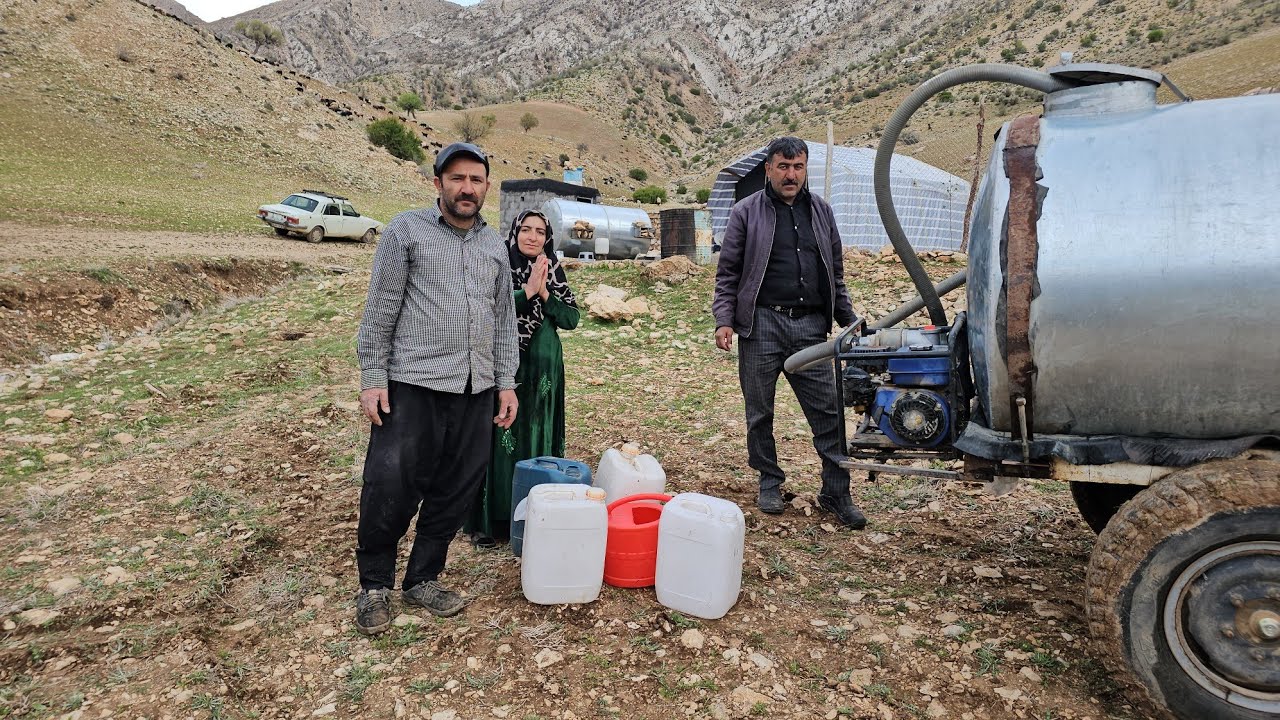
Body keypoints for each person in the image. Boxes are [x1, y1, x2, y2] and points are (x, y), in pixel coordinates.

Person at [352, 142, 519, 635]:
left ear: (486, 187)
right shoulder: (407, 230)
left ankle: (423, 578)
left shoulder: (494, 244)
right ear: (438, 184)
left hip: (476, 389)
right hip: (413, 382)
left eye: (476, 180)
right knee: (391, 484)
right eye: (457, 179)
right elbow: (381, 307)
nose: (467, 188)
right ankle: (375, 585)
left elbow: (503, 321)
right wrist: (372, 377)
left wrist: (505, 383)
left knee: (456, 489)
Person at [711, 136, 866, 529]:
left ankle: (837, 491)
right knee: (759, 411)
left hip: (812, 327)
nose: (790, 174)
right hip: (762, 323)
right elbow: (727, 273)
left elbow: (836, 272)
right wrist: (724, 319)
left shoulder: (822, 212)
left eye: (797, 167)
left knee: (828, 412)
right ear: (768, 169)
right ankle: (769, 479)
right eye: (783, 166)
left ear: (805, 168)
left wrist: (848, 321)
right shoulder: (747, 212)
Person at [465, 210, 580, 547]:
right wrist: (526, 291)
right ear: (514, 233)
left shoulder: (552, 268)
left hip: (544, 368)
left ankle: (537, 516)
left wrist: (544, 294)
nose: (532, 237)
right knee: (501, 437)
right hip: (505, 363)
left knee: (537, 435)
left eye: (540, 232)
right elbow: (486, 309)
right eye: (526, 230)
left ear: (548, 238)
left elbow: (571, 318)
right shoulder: (499, 264)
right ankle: (493, 522)